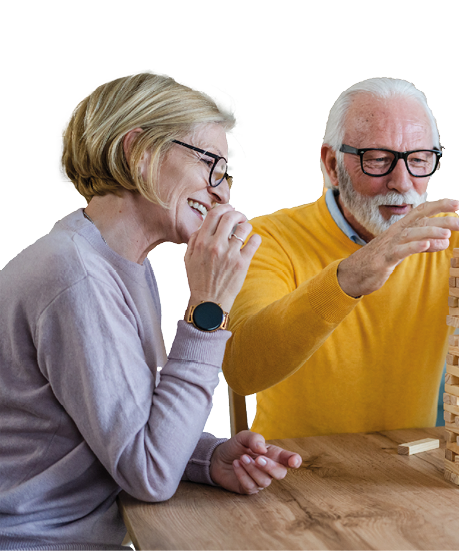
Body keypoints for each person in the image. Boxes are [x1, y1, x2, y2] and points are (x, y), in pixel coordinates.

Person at [0, 70, 302, 549]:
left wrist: (207, 457)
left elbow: (127, 428)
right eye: (211, 165)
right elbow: (150, 473)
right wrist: (208, 309)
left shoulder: (117, 263)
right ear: (138, 151)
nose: (223, 193)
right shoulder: (75, 276)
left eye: (227, 174)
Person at [223, 77, 459, 440]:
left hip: (409, 475)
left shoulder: (452, 238)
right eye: (378, 159)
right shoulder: (268, 238)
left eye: (419, 159)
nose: (402, 182)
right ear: (332, 164)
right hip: (289, 472)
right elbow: (243, 370)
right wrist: (347, 280)